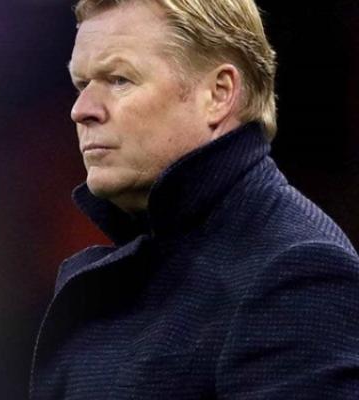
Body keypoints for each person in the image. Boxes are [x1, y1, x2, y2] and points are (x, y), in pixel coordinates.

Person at [30, 0, 359, 398]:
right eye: (82, 85)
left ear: (218, 94)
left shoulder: (297, 272)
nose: (81, 110)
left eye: (119, 80)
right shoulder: (151, 263)